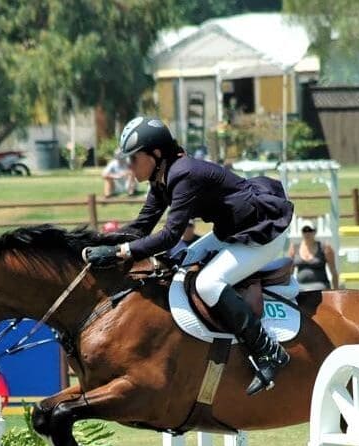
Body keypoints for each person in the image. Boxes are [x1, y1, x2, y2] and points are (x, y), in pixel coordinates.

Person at [83, 116, 294, 395]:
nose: (128, 166)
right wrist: (97, 243)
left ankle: (268, 351)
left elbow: (170, 235)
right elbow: (142, 227)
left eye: (133, 159)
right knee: (177, 264)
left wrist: (120, 252)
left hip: (261, 233)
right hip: (231, 231)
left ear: (155, 154)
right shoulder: (162, 177)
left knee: (208, 284)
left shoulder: (183, 174)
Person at [288, 222, 338, 290]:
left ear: (315, 232)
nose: (307, 233)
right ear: (302, 232)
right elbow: (289, 272)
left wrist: (336, 290)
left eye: (310, 230)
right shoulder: (294, 248)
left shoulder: (325, 247)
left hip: (321, 286)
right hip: (300, 287)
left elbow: (333, 271)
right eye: (304, 230)